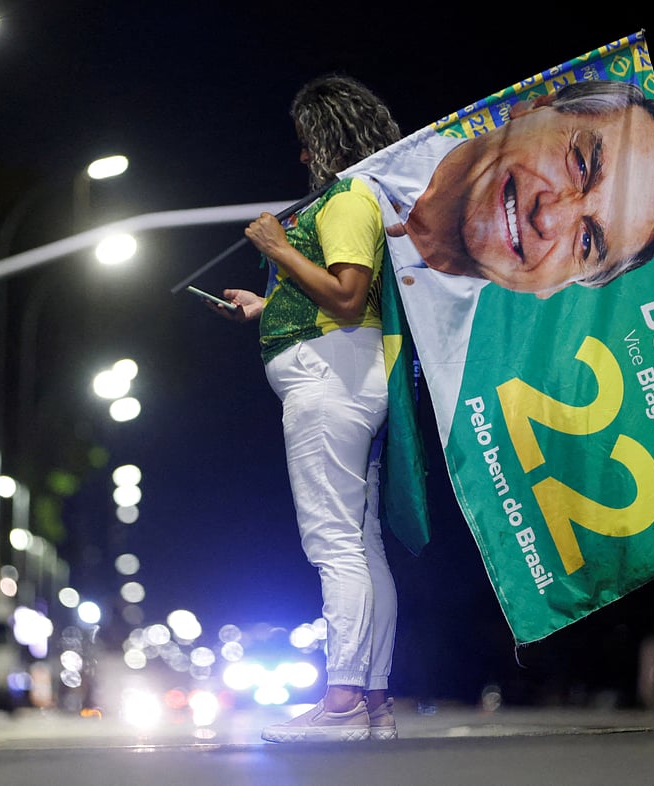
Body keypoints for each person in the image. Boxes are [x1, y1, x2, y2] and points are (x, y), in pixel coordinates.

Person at [209, 74, 402, 742]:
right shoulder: (354, 201)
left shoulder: (347, 200)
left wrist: (278, 248)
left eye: (305, 143)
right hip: (342, 371)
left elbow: (348, 297)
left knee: (335, 545)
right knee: (362, 545)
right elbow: (338, 300)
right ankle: (373, 704)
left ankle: (342, 701)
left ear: (328, 140)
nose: (300, 157)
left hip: (332, 383)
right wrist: (268, 308)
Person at [353, 79, 654, 298]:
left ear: (558, 287)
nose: (549, 216)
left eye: (587, 241)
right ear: (538, 106)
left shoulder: (455, 396)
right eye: (580, 165)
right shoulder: (362, 139)